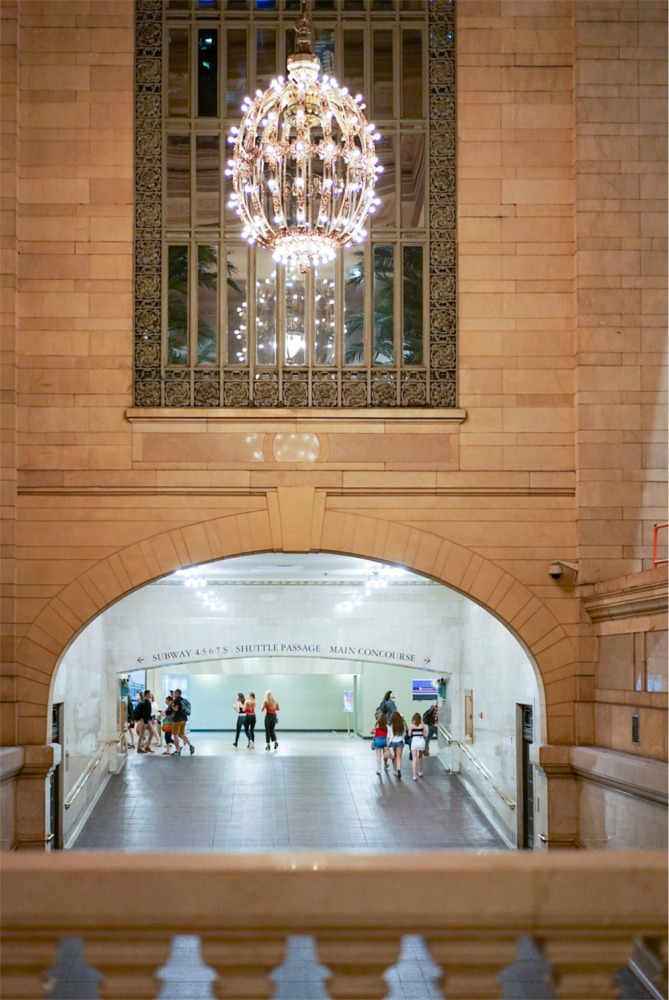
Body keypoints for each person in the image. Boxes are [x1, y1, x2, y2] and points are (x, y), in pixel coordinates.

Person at [172, 688, 195, 755]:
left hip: (177, 720)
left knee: (175, 735)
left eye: (174, 693)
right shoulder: (183, 700)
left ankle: (178, 750)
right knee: (182, 734)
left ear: (177, 693)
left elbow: (176, 709)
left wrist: (171, 705)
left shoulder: (176, 700)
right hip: (184, 720)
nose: (174, 694)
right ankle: (191, 746)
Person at [388, 711, 406, 779]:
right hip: (400, 741)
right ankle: (399, 769)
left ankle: (394, 770)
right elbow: (404, 733)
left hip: (392, 742)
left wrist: (388, 742)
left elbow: (389, 735)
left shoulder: (390, 725)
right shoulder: (402, 724)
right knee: (399, 757)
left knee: (394, 756)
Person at [409, 712, 427, 780]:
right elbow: (424, 734)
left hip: (414, 741)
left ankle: (414, 775)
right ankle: (420, 771)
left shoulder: (411, 725)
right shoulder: (423, 725)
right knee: (420, 757)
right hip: (421, 741)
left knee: (414, 758)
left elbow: (409, 734)